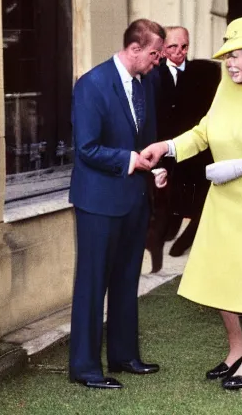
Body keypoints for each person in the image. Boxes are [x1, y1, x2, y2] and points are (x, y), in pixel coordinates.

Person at [141, 15, 242, 390]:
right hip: (224, 199)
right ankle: (236, 349)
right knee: (221, 273)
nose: (229, 62)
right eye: (227, 55)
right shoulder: (226, 87)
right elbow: (203, 132)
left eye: (236, 55)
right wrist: (167, 148)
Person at [68, 19, 167, 389]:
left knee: (127, 280)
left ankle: (125, 356)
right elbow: (87, 148)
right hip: (97, 202)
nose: (158, 61)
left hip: (134, 199)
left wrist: (154, 169)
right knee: (93, 284)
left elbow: (148, 140)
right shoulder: (91, 85)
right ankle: (85, 368)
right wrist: (131, 161)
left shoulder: (146, 84)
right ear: (135, 48)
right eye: (155, 54)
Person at [146, 26, 220, 272]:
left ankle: (189, 237)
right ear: (163, 49)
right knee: (166, 198)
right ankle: (168, 231)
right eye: (172, 47)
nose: (179, 52)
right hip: (166, 148)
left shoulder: (204, 73)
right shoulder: (154, 75)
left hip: (197, 148)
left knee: (202, 195)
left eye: (184, 47)